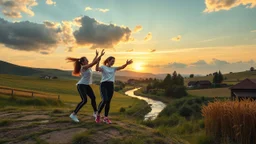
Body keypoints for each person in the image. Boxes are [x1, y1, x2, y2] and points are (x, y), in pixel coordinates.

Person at [66, 49, 105, 122]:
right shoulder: (83, 67)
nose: (88, 61)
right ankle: (73, 114)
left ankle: (95, 112)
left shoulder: (88, 67)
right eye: (86, 60)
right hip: (81, 85)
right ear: (83, 62)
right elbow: (94, 62)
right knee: (84, 100)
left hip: (86, 85)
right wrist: (100, 56)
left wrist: (96, 55)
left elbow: (93, 61)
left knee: (93, 98)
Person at [95, 56, 133, 124]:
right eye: (112, 61)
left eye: (114, 61)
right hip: (104, 85)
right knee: (105, 99)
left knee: (108, 101)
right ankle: (98, 115)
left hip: (111, 85)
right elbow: (97, 69)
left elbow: (121, 67)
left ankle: (105, 118)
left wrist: (126, 64)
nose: (113, 63)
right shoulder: (103, 67)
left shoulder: (113, 68)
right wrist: (97, 61)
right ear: (108, 61)